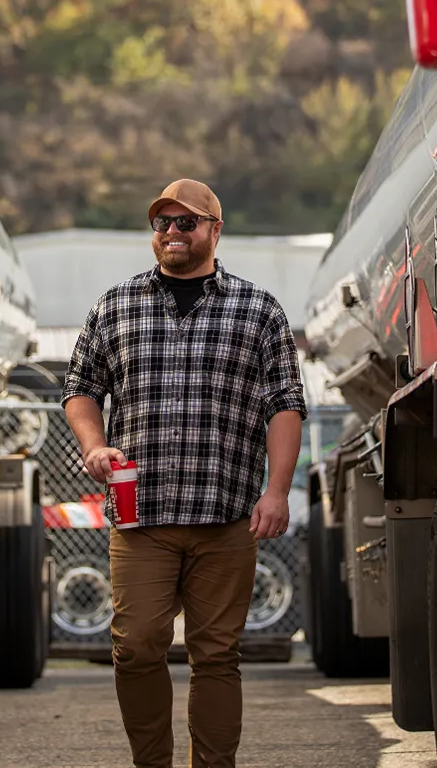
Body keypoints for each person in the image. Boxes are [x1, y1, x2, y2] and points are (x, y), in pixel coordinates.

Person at [61, 178, 307, 768]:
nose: (171, 232)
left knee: (216, 655)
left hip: (226, 519)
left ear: (215, 231)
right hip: (141, 517)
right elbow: (80, 389)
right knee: (137, 645)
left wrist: (276, 491)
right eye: (162, 223)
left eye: (186, 222)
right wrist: (95, 446)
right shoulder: (116, 305)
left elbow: (285, 405)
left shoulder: (258, 309)